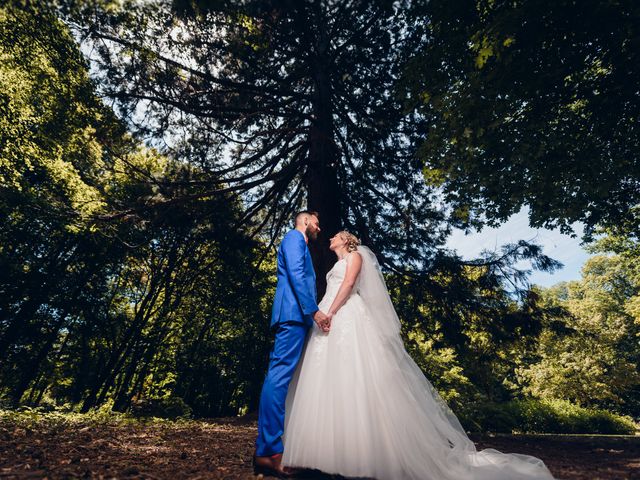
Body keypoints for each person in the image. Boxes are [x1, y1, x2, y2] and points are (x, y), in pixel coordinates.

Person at [282, 231, 556, 480]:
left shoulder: (355, 257)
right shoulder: (334, 264)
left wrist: (331, 311)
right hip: (327, 316)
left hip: (346, 314)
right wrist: (323, 313)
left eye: (336, 236)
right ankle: (325, 453)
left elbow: (350, 284)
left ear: (346, 240)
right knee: (328, 378)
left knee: (357, 375)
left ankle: (363, 456)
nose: (330, 238)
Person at [253, 211, 331, 477]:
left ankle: (273, 448)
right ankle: (269, 453)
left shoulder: (301, 243)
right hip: (293, 315)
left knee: (283, 378)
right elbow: (297, 275)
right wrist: (313, 310)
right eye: (317, 223)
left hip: (296, 317)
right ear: (305, 221)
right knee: (279, 377)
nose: (319, 228)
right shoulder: (294, 239)